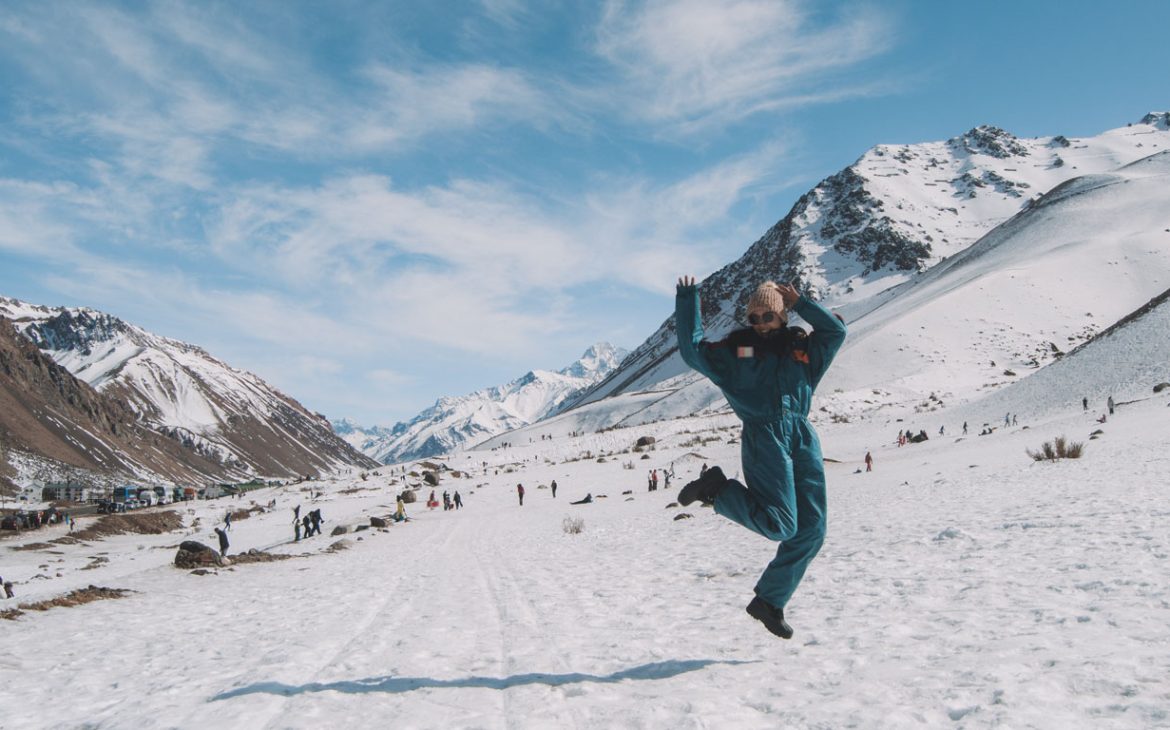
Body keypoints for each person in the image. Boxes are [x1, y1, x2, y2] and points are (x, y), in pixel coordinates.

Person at [675, 277, 846, 640]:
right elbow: (692, 352)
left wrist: (803, 304)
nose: (760, 324)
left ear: (783, 317)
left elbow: (835, 332)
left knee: (812, 531)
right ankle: (717, 491)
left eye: (768, 316)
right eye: (753, 318)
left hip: (801, 436)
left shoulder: (803, 351)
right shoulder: (738, 354)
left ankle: (769, 601)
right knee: (781, 525)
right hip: (764, 437)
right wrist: (688, 300)